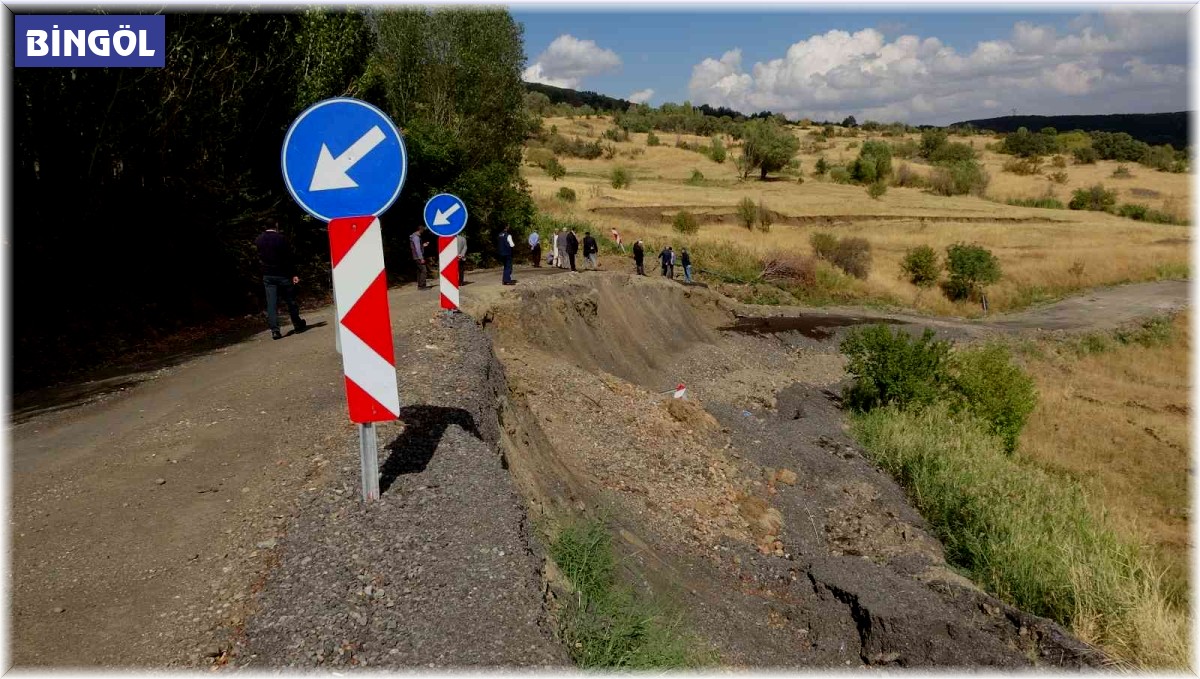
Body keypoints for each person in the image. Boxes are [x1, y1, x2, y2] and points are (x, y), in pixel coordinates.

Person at [254, 219, 307, 340]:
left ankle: (275, 330)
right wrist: (294, 274)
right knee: (290, 300)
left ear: (265, 227)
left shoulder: (259, 240)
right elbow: (288, 258)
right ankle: (297, 323)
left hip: (268, 275)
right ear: (276, 225)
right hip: (283, 274)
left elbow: (259, 258)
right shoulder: (281, 239)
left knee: (271, 303)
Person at [411, 225, 431, 290]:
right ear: (420, 230)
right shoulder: (416, 237)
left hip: (416, 257)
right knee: (424, 271)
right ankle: (422, 286)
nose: (423, 231)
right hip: (418, 257)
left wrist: (423, 245)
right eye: (423, 230)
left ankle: (420, 285)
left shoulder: (414, 237)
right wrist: (421, 258)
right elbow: (417, 249)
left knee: (419, 271)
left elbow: (417, 247)